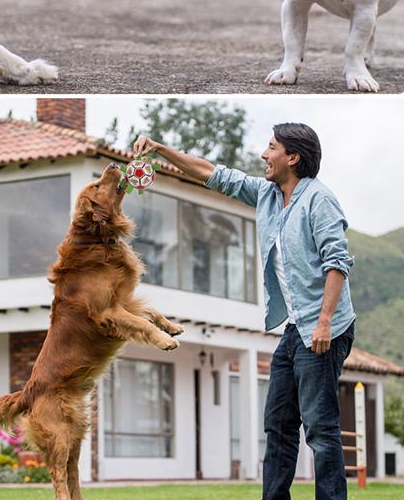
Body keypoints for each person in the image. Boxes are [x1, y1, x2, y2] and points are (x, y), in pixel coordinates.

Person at [134, 124, 355, 500]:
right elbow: (213, 174)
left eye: (271, 148)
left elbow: (337, 263)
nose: (263, 155)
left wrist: (323, 323)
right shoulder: (268, 195)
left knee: (320, 428)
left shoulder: (320, 200)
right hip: (294, 327)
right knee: (278, 423)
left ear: (293, 157)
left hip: (324, 327)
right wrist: (159, 149)